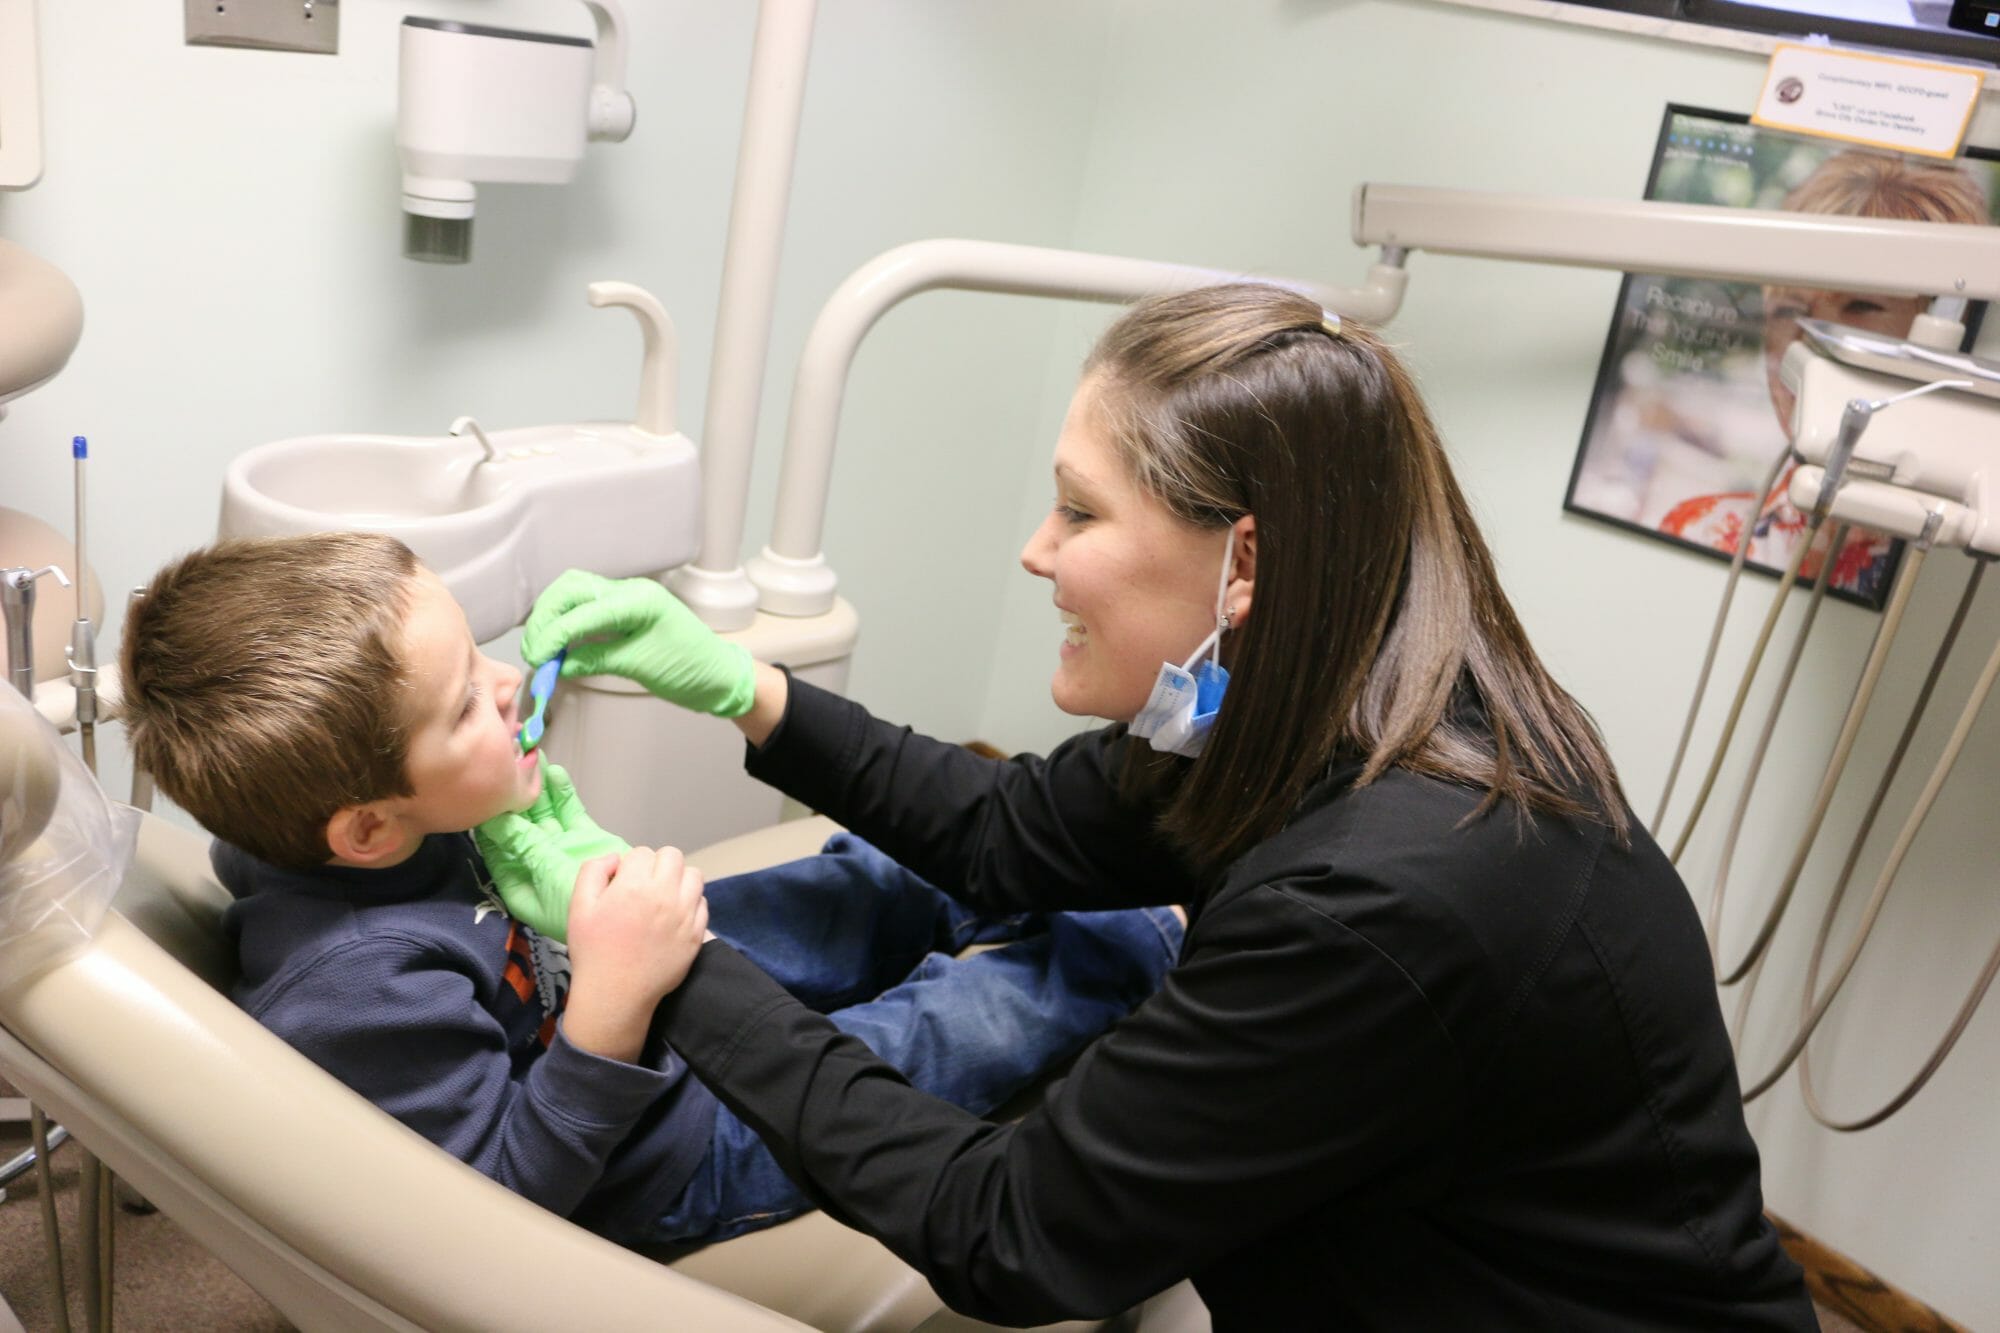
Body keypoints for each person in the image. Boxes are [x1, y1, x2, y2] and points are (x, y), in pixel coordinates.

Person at [511, 284, 1822, 1329]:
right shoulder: (1296, 699)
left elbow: (1013, 1230)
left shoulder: (1388, 894)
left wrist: (669, 963)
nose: (1037, 548)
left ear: (1241, 559)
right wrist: (748, 688)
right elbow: (1002, 834)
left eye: (1081, 509)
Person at [116, 532, 1180, 1248]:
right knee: (947, 1027)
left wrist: (525, 828)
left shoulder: (390, 834)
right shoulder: (356, 984)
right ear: (366, 827)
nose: (505, 683)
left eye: (480, 656)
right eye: (463, 709)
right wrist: (612, 1007)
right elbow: (501, 1199)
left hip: (618, 988)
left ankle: (1055, 884)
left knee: (864, 887)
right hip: (665, 1154)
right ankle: (1145, 941)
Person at [1659, 148, 1989, 598]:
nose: (1803, 342)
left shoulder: (1968, 573)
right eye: (1788, 310)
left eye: (1859, 306)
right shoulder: (1700, 529)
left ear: (1941, 332)